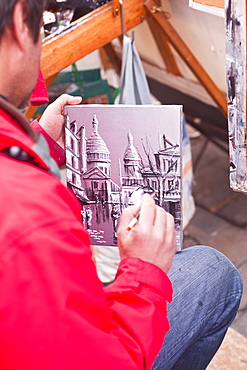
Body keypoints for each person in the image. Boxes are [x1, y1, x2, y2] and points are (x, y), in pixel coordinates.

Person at [0, 1, 242, 369]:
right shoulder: (33, 216)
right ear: (20, 22)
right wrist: (144, 271)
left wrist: (41, 142)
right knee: (214, 272)